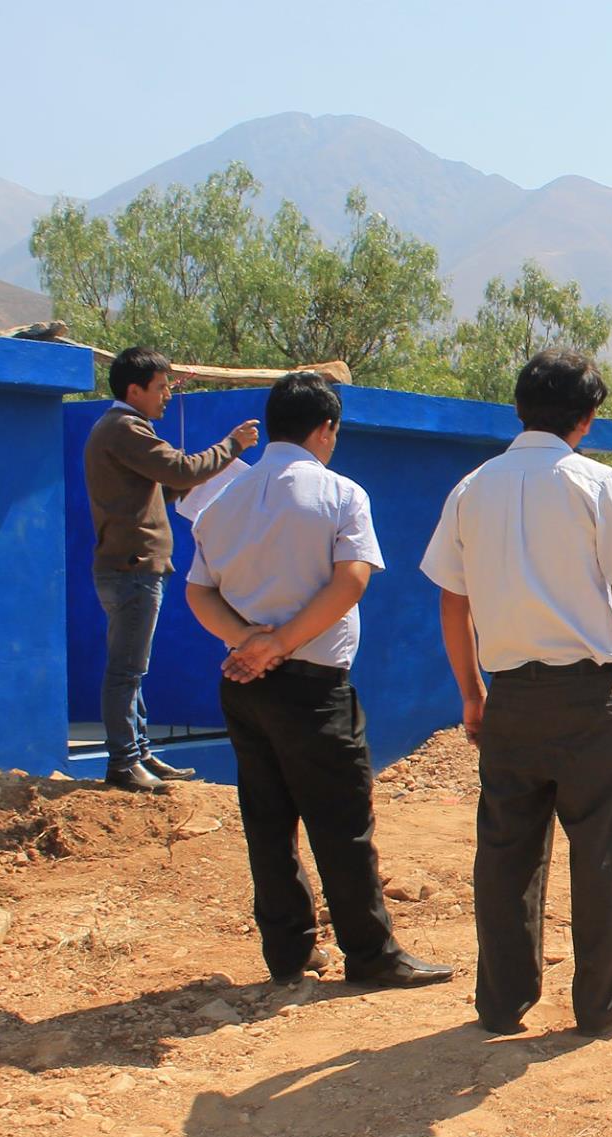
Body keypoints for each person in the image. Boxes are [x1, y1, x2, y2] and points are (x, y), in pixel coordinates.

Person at [421, 348, 612, 1037]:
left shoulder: (471, 488)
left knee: (505, 852)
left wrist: (472, 692)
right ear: (585, 419)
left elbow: (450, 602)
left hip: (511, 699)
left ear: (519, 409)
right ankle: (600, 1000)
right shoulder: (598, 484)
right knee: (598, 850)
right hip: (590, 698)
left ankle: (501, 1001)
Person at [184, 371, 452, 991]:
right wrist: (279, 643)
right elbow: (351, 580)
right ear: (325, 429)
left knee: (267, 819)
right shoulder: (340, 494)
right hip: (313, 685)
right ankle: (370, 953)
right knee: (342, 821)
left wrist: (249, 645)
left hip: (244, 683)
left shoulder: (220, 500)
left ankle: (287, 951)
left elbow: (199, 590)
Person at [83, 346, 259, 792]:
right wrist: (231, 446)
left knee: (132, 669)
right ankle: (124, 762)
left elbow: (160, 490)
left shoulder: (119, 429)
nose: (166, 397)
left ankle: (139, 753)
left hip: (130, 567)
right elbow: (180, 470)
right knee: (126, 671)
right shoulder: (124, 428)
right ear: (134, 389)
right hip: (132, 568)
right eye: (160, 388)